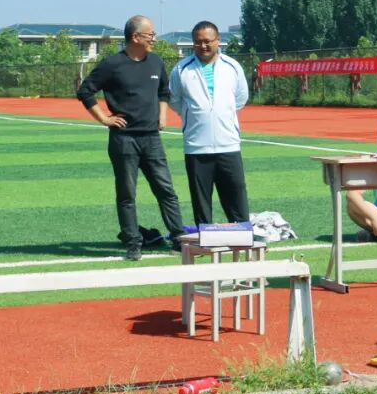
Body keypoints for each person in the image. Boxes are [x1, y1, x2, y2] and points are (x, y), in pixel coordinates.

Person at [76, 15, 185, 261]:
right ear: (135, 37)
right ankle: (133, 242)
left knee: (166, 190)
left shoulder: (155, 62)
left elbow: (163, 92)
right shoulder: (112, 64)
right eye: (150, 35)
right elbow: (85, 91)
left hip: (152, 139)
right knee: (127, 194)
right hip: (124, 139)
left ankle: (178, 238)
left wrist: (162, 115)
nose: (154, 39)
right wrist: (104, 119)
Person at [168, 21, 251, 225]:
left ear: (218, 41)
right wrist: (195, 115)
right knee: (201, 203)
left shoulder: (232, 66)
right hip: (197, 146)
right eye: (198, 42)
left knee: (237, 200)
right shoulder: (181, 69)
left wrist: (221, 113)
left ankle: (241, 235)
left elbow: (240, 97)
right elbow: (174, 99)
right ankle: (205, 237)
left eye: (207, 41)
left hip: (228, 144)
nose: (203, 46)